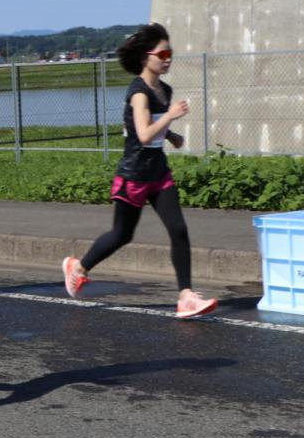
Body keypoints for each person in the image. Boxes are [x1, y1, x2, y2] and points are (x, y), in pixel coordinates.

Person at [62, 23, 218, 320]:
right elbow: (144, 134)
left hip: (158, 173)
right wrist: (170, 118)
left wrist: (170, 134)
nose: (169, 58)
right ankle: (78, 267)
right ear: (147, 57)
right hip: (133, 176)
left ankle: (185, 296)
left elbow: (153, 130)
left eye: (170, 52)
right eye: (164, 53)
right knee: (122, 235)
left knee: (179, 230)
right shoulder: (138, 92)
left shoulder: (164, 89)